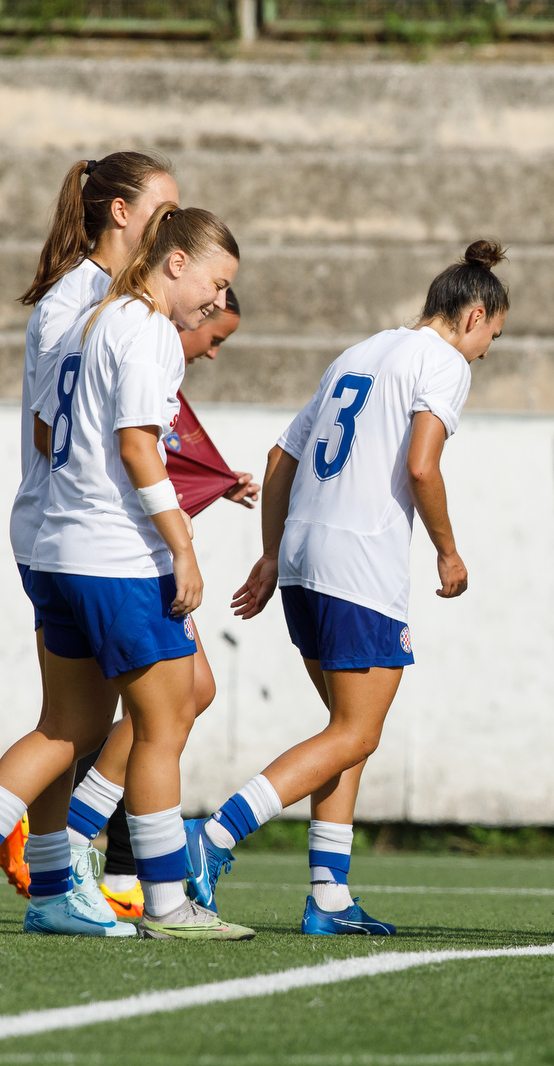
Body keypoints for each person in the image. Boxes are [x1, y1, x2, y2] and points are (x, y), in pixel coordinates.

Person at [201, 241, 507, 936]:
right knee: (356, 730)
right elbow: (423, 468)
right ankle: (212, 839)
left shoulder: (362, 351)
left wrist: (274, 554)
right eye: (493, 335)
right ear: (474, 316)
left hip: (307, 558)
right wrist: (449, 552)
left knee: (346, 736)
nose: (487, 351)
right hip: (359, 564)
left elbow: (282, 457)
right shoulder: (444, 363)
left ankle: (328, 898)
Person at [10, 204, 247, 940]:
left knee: (71, 724)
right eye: (216, 281)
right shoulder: (145, 328)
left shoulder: (95, 317)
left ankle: (53, 889)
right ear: (176, 262)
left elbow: (55, 432)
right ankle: (171, 905)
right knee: (164, 720)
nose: (216, 299)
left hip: (60, 548)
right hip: (115, 557)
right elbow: (142, 449)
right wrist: (182, 546)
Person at [3, 152, 179, 936]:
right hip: (75, 537)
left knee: (69, 720)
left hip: (71, 535)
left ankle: (50, 888)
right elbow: (53, 429)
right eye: (164, 209)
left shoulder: (106, 299)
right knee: (76, 726)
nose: (175, 224)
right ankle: (104, 877)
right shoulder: (76, 302)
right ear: (119, 213)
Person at [61, 287, 259, 922]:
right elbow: (138, 448)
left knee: (183, 697)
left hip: (121, 552)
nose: (212, 348)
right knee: (149, 715)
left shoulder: (138, 344)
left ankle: (89, 851)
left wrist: (216, 483)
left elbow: (157, 449)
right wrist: (182, 545)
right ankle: (76, 848)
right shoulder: (147, 342)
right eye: (213, 332)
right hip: (129, 557)